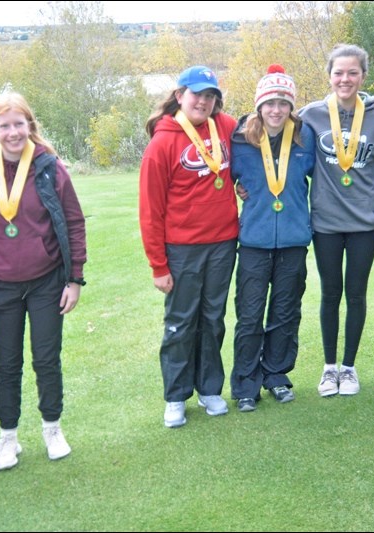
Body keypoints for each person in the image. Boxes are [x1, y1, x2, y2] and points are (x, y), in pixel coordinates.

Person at [0, 92, 86, 468]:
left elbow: (74, 221)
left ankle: (52, 428)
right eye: (5, 125)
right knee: (6, 363)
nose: (13, 132)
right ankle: (8, 438)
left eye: (20, 124)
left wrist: (75, 279)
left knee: (47, 359)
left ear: (30, 126)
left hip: (47, 281)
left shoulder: (49, 166)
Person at [139, 65, 238, 428]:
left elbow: (252, 149)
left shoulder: (225, 126)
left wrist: (242, 185)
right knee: (181, 323)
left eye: (211, 96)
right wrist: (158, 265)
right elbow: (150, 210)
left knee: (213, 320)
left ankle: (210, 389)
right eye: (197, 94)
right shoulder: (162, 142)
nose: (204, 101)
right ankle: (176, 396)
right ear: (180, 95)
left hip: (223, 242)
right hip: (182, 248)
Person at [298, 45, 374, 397]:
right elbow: (276, 143)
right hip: (326, 222)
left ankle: (349, 369)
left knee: (356, 293)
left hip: (366, 221)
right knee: (330, 293)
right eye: (339, 72)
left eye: (352, 72)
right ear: (329, 75)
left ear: (363, 76)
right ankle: (328, 367)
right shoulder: (311, 115)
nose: (345, 79)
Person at [229, 65, 315, 412]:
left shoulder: (305, 136)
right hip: (253, 241)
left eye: (283, 102)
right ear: (258, 106)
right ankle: (246, 385)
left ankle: (276, 375)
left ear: (291, 106)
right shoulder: (240, 139)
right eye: (269, 103)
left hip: (294, 240)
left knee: (285, 312)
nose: (276, 110)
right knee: (249, 315)